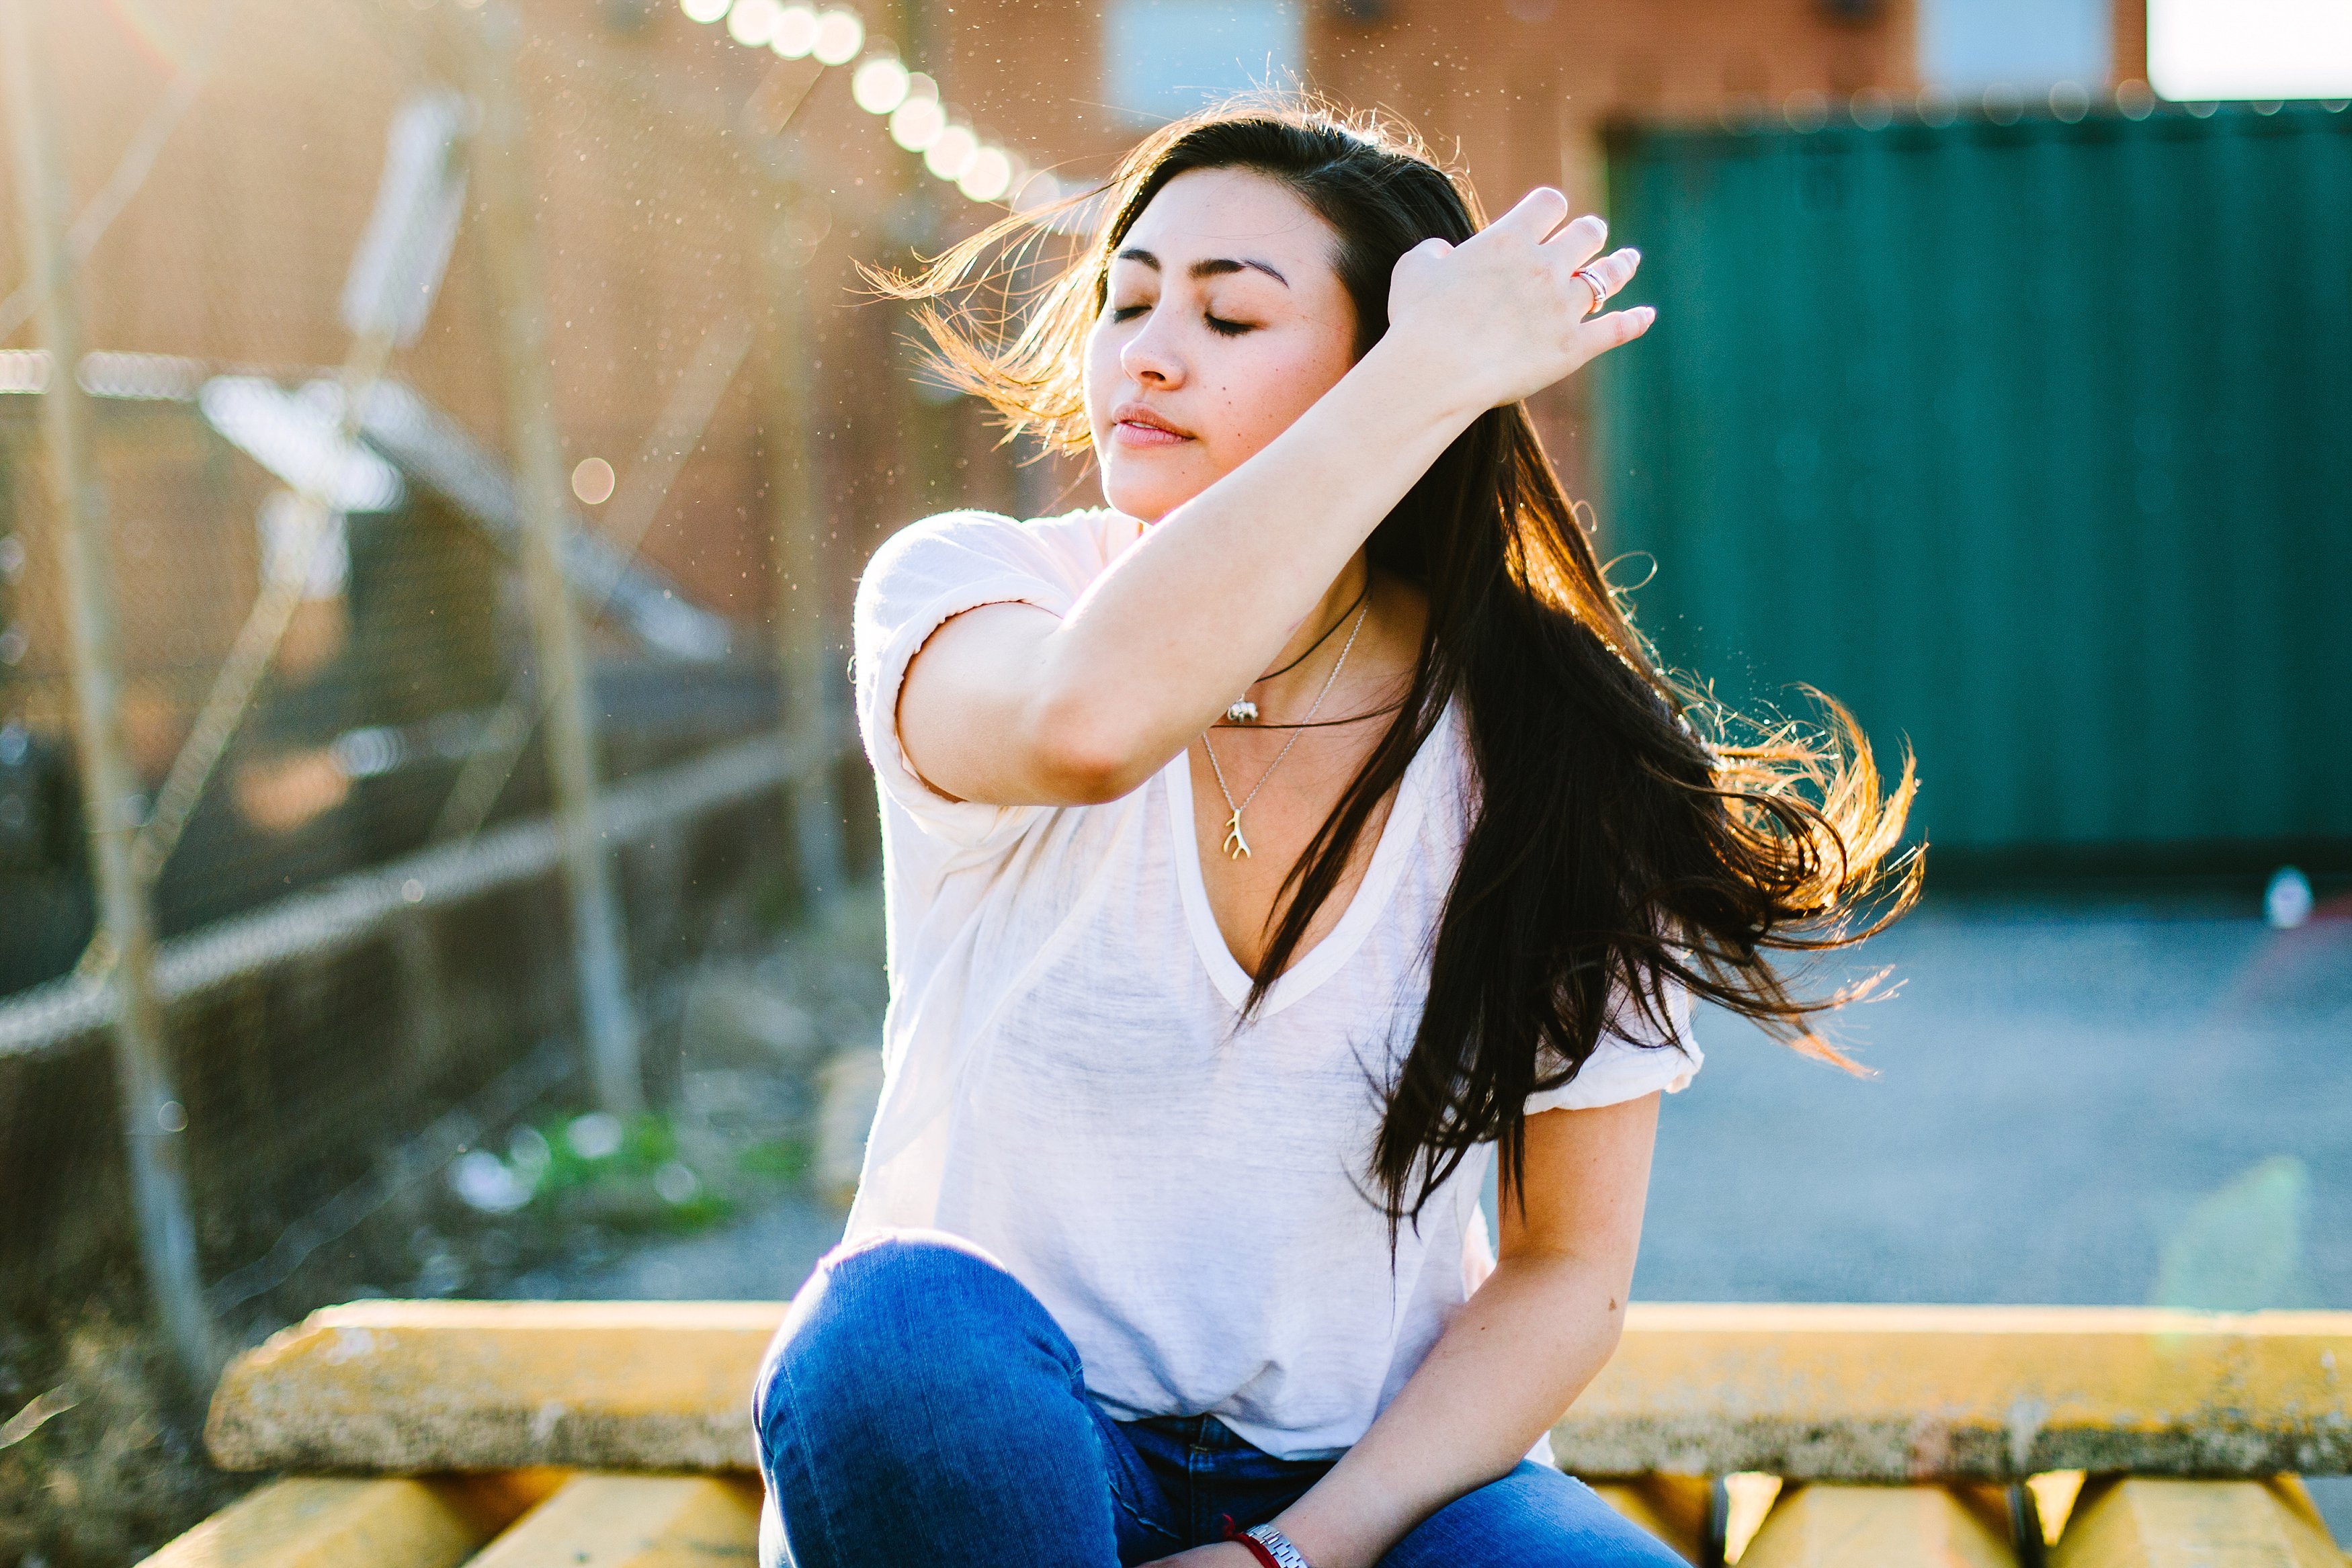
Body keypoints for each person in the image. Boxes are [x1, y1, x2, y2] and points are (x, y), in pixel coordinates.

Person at [753, 101, 1915, 1568]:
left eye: (1230, 315)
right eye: (1126, 301)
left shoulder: (1548, 751)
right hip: (1006, 1456)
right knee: (890, 1330)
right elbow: (1087, 728)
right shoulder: (970, 591)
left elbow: (1566, 1268)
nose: (1147, 353)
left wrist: (1296, 1552)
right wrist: (1422, 377)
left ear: (1387, 375)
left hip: (1377, 1486)